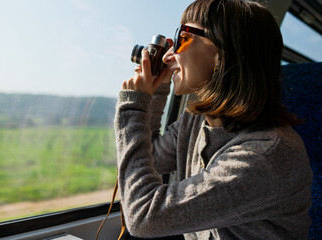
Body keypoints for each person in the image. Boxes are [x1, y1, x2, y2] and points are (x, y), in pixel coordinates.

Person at [114, 0, 313, 239]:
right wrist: (157, 92)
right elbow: (152, 158)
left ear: (224, 52)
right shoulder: (196, 121)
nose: (168, 56)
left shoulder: (266, 155)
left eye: (181, 38)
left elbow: (144, 217)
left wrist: (133, 107)